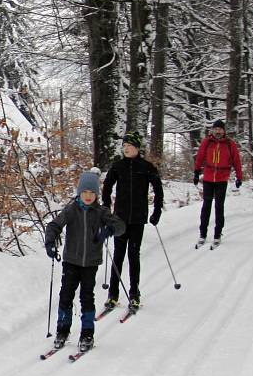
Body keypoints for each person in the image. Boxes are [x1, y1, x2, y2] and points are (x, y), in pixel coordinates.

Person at [45, 170, 125, 352]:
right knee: (66, 295)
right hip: (71, 261)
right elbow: (54, 225)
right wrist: (50, 242)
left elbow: (120, 226)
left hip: (91, 263)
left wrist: (109, 230)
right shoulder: (71, 210)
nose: (88, 196)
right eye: (85, 192)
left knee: (86, 298)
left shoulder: (101, 211)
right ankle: (62, 330)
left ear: (96, 194)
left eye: (92, 193)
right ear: (79, 193)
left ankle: (87, 333)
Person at [101, 132, 164, 313]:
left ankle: (134, 294)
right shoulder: (118, 166)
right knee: (118, 256)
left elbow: (158, 190)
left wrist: (156, 211)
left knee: (133, 256)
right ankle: (113, 295)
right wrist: (106, 208)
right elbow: (107, 186)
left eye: (129, 145)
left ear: (137, 148)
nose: (126, 148)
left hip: (137, 218)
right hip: (119, 218)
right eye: (124, 145)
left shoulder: (146, 167)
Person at [193, 119, 243, 246]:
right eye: (216, 129)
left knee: (219, 207)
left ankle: (217, 234)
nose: (218, 131)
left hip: (222, 179)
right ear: (212, 130)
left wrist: (239, 177)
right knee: (206, 207)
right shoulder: (207, 142)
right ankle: (202, 234)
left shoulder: (229, 144)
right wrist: (196, 172)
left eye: (220, 129)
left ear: (224, 130)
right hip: (208, 178)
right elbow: (200, 157)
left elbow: (236, 160)